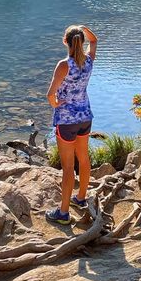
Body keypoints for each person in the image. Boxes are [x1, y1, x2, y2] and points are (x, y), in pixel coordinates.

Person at [45, 24, 98, 225]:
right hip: (85, 117)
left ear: (65, 41)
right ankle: (81, 198)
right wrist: (84, 28)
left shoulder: (64, 65)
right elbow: (94, 41)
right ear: (81, 42)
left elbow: (51, 94)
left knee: (68, 167)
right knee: (83, 158)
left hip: (66, 121)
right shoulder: (89, 62)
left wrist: (57, 104)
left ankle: (63, 212)